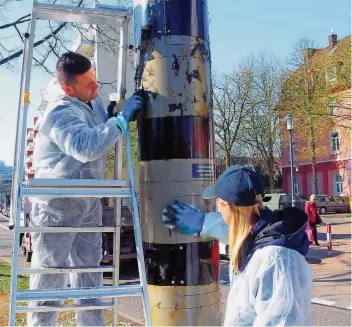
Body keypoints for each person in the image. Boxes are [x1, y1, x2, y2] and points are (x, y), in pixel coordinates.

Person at [28, 51, 144, 327]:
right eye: (88, 83)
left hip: (88, 201)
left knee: (90, 275)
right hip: (58, 205)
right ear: (68, 87)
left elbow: (102, 127)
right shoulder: (60, 112)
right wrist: (120, 121)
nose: (96, 87)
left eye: (95, 79)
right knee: (49, 281)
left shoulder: (91, 101)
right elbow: (86, 146)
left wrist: (116, 114)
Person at [162, 166, 313, 326]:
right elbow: (238, 231)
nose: (217, 208)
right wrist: (203, 223)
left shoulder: (275, 259)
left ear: (228, 206)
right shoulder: (262, 235)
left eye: (218, 202)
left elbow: (283, 321)